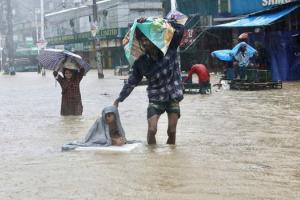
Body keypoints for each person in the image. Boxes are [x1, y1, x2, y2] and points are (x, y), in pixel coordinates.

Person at [113, 17, 184, 145]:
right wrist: (119, 99)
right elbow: (131, 82)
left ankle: (170, 156)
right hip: (155, 98)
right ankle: (151, 155)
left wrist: (154, 20)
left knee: (172, 131)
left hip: (173, 95)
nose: (145, 43)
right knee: (152, 130)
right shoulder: (141, 62)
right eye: (142, 41)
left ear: (153, 39)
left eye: (147, 40)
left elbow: (180, 28)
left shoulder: (170, 47)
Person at [61, 106, 127, 151]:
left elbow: (118, 133)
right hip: (97, 137)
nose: (107, 117)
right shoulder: (100, 121)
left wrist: (120, 138)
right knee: (103, 140)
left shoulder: (116, 123)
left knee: (121, 140)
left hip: (109, 137)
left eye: (109, 115)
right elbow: (100, 136)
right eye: (106, 115)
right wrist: (114, 141)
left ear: (115, 116)